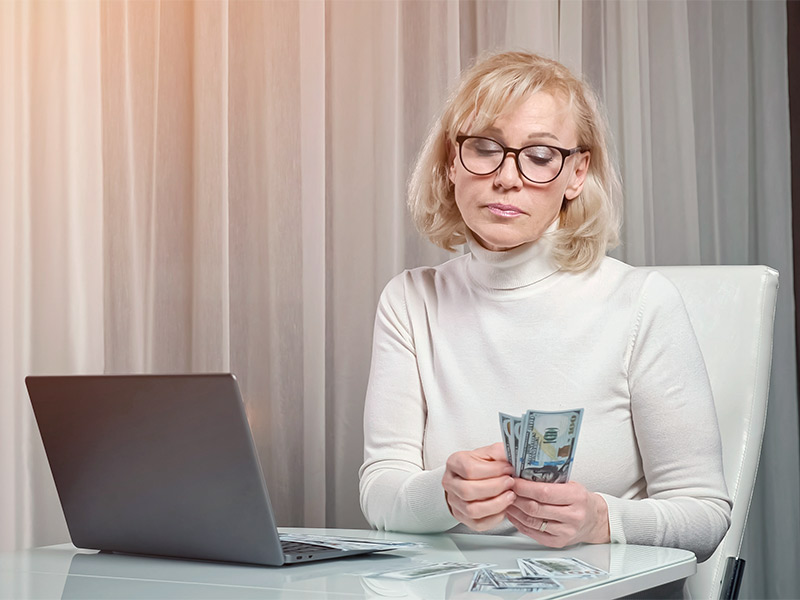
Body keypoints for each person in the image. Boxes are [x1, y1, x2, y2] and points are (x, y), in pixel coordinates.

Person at [358, 51, 731, 563]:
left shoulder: (642, 301)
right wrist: (443, 495)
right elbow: (380, 491)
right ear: (451, 162)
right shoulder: (410, 300)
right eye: (485, 147)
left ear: (576, 174)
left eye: (538, 156)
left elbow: (706, 516)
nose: (507, 177)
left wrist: (603, 519)